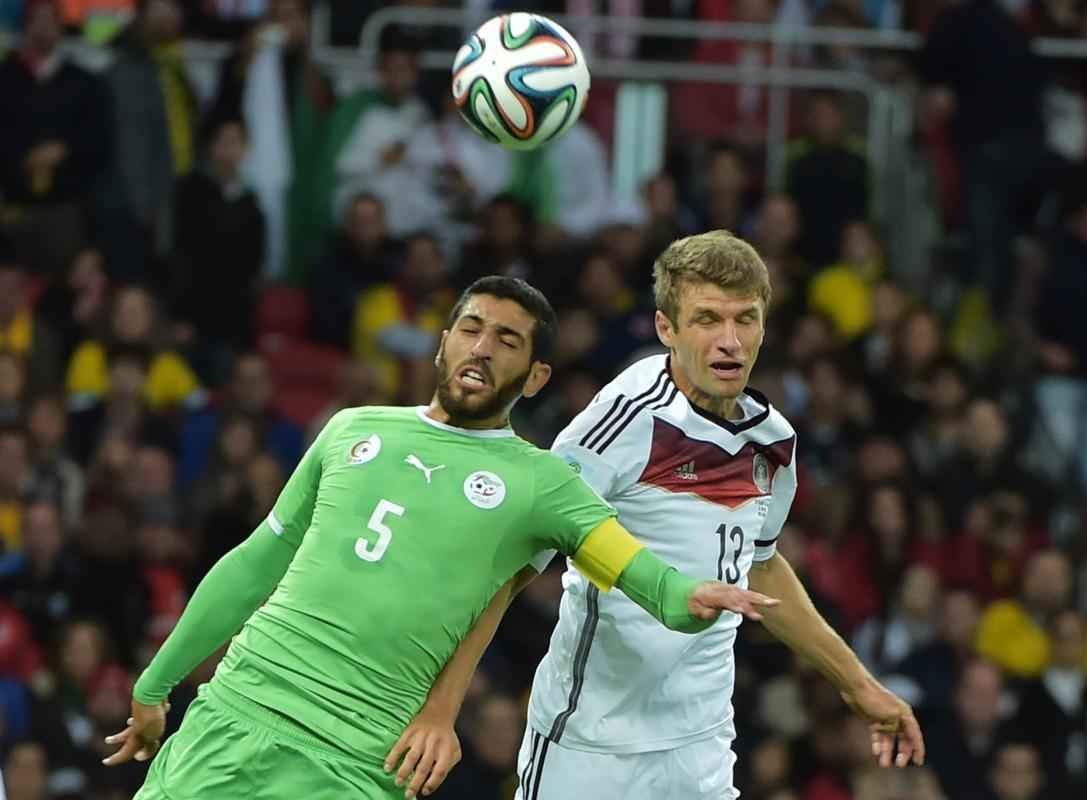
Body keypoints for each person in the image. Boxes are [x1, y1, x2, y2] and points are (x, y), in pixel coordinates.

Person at [102, 276, 777, 800]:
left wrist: (687, 595)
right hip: (235, 714)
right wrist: (156, 684)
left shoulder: (540, 483)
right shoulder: (350, 428)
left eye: (508, 341)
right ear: (443, 342)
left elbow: (633, 570)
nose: (483, 347)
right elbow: (255, 563)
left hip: (354, 761)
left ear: (537, 376)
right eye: (471, 329)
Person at [412, 232, 925, 798]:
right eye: (706, 319)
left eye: (745, 320)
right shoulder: (622, 422)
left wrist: (858, 687)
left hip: (699, 744)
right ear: (666, 329)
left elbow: (758, 565)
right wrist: (441, 708)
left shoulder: (773, 442)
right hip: (589, 743)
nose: (729, 341)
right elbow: (510, 565)